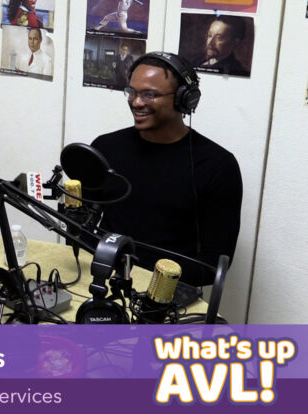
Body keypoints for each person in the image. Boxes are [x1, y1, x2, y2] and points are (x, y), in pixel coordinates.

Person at [89, 52, 242, 286]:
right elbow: (81, 228)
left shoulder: (218, 166)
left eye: (149, 95)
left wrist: (148, 284)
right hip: (103, 281)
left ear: (185, 99)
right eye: (132, 92)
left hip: (165, 296)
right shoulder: (105, 148)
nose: (136, 102)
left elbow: (213, 264)